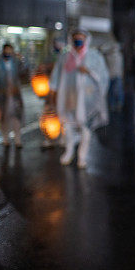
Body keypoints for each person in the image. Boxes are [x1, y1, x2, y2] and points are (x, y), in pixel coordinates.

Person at [49, 30, 109, 168]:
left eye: (81, 39)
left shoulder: (94, 56)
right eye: (76, 38)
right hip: (69, 97)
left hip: (88, 99)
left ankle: (82, 156)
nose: (78, 41)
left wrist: (89, 71)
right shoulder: (65, 57)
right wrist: (52, 94)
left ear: (87, 40)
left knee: (85, 127)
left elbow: (103, 77)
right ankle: (69, 152)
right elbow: (56, 77)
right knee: (68, 126)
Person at [0, 43, 24, 147]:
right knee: (3, 117)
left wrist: (22, 59)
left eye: (10, 51)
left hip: (15, 94)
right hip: (2, 95)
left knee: (17, 116)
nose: (8, 53)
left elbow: (24, 71)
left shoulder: (16, 62)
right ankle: (5, 139)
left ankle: (18, 140)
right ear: (3, 51)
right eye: (6, 50)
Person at [102, 40, 124, 112]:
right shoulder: (108, 55)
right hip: (111, 76)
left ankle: (117, 106)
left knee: (116, 92)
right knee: (112, 92)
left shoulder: (119, 55)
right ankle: (113, 106)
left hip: (116, 76)